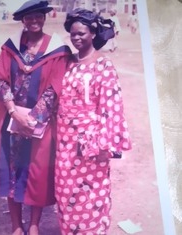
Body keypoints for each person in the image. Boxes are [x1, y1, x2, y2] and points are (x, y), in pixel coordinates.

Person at [0, 1, 71, 235]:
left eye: (38, 16)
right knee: (13, 170)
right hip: (11, 122)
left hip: (39, 123)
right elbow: (2, 79)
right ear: (23, 20)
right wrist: (13, 112)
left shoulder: (57, 49)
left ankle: (33, 225)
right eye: (29, 17)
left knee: (37, 172)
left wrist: (33, 119)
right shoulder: (11, 48)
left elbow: (55, 86)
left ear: (45, 17)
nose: (34, 21)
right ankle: (16, 225)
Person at [55, 8, 132, 235]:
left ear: (93, 33)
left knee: (90, 191)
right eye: (73, 34)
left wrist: (105, 145)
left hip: (91, 143)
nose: (77, 38)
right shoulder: (67, 62)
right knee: (66, 189)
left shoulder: (103, 66)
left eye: (82, 33)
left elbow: (112, 107)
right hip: (64, 142)